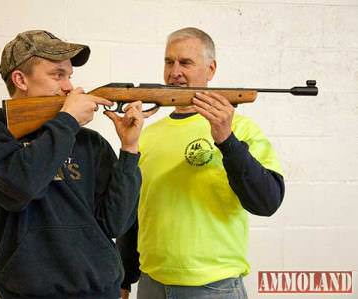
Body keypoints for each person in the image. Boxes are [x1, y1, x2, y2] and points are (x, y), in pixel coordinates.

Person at [0, 30, 147, 299]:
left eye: (69, 76)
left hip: (100, 291)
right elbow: (22, 187)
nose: (69, 87)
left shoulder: (88, 142)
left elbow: (115, 224)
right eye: (57, 75)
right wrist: (68, 120)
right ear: (20, 79)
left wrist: (129, 148)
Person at [117, 27, 285, 299]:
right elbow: (133, 212)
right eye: (168, 62)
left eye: (185, 62)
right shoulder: (146, 134)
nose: (175, 72)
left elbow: (267, 202)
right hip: (151, 284)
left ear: (211, 69)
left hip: (214, 287)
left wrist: (227, 139)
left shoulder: (240, 128)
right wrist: (124, 279)